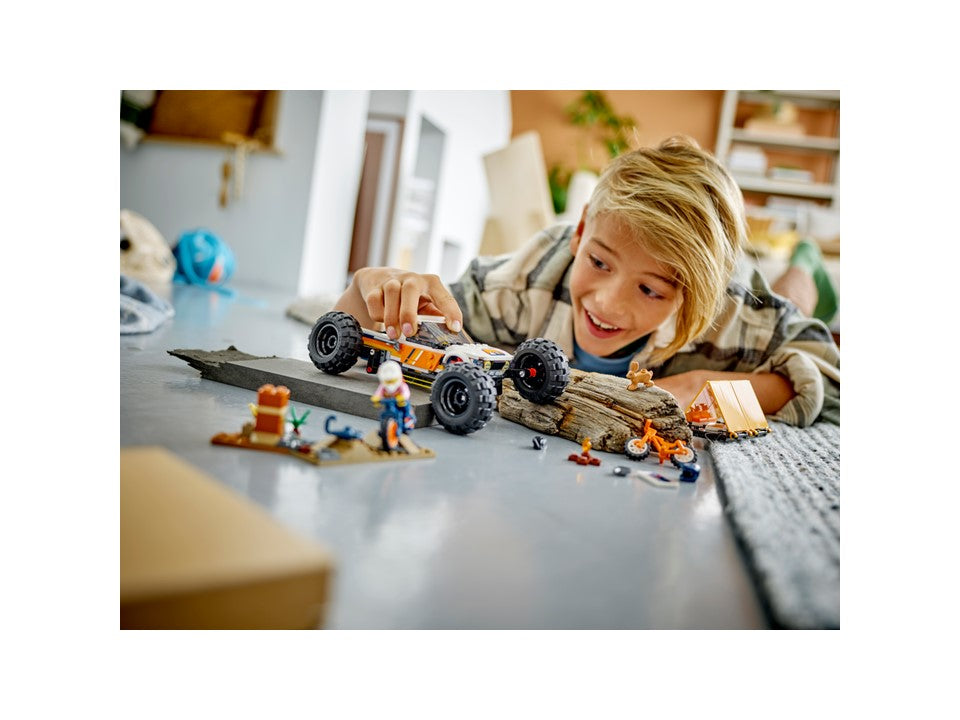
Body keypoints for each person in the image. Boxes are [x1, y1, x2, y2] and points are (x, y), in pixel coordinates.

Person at [334, 136, 839, 427]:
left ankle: (807, 257)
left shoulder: (733, 314)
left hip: (757, 282)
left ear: (690, 296)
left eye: (651, 289)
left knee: (797, 286)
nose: (608, 304)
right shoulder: (521, 286)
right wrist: (364, 294)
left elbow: (832, 381)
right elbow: (395, 343)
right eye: (599, 262)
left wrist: (698, 386)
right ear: (579, 233)